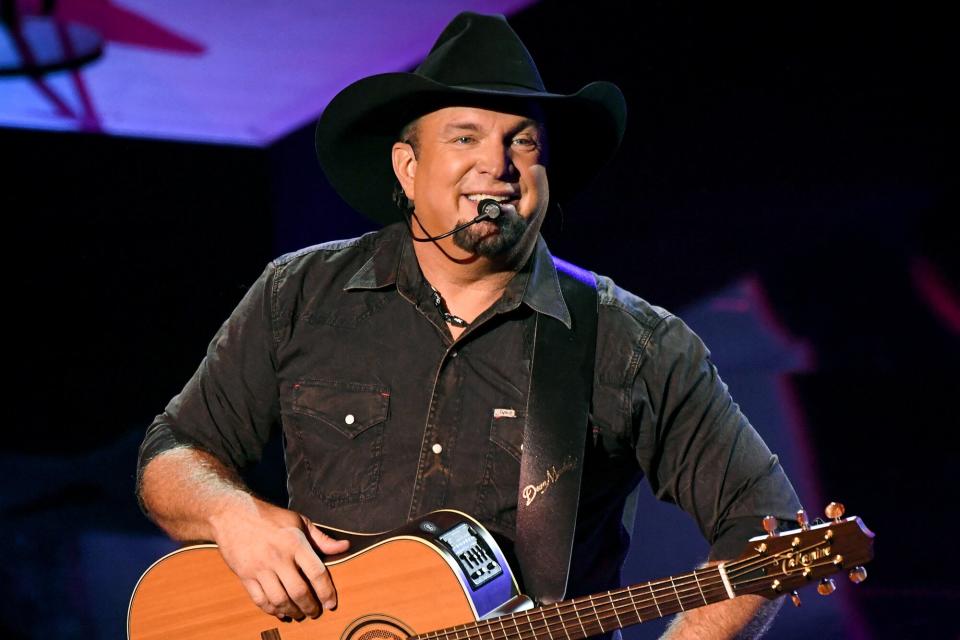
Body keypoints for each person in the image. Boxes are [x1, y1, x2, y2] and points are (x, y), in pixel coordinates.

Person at [137, 11, 801, 639]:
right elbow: (173, 454)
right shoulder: (300, 293)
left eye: (523, 140)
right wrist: (231, 513)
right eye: (465, 137)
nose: (498, 165)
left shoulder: (634, 343)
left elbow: (765, 531)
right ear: (408, 166)